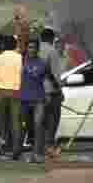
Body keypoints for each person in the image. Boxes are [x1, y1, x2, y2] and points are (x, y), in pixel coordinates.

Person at [0, 35, 23, 160]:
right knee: (16, 123)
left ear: (3, 45)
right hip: (16, 93)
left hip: (0, 92)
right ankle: (16, 150)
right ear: (15, 45)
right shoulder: (20, 59)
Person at [20, 38, 51, 163]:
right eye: (29, 47)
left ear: (37, 49)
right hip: (24, 100)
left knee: (38, 125)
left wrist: (48, 94)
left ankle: (38, 154)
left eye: (33, 47)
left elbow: (48, 80)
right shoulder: (21, 61)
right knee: (27, 127)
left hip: (38, 99)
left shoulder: (43, 63)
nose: (31, 50)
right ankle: (27, 153)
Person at [38, 29, 66, 158]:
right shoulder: (52, 51)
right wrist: (59, 90)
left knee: (40, 120)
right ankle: (49, 146)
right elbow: (54, 73)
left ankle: (40, 146)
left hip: (37, 91)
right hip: (51, 91)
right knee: (53, 119)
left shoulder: (34, 50)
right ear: (51, 38)